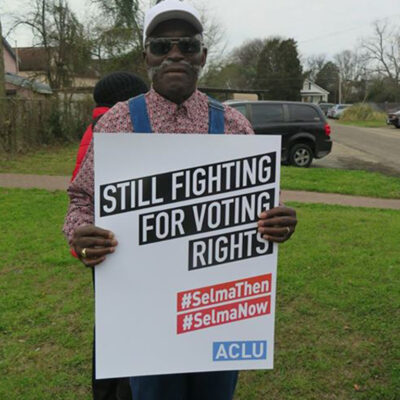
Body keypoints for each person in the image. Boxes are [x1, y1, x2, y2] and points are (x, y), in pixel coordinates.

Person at [63, 1, 297, 399]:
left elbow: (261, 209)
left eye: (187, 45)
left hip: (216, 315)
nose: (175, 54)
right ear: (146, 56)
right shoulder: (117, 123)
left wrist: (276, 223)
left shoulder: (234, 127)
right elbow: (81, 200)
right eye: (162, 46)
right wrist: (79, 235)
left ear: (203, 56)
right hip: (143, 316)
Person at [70, 71, 148, 400]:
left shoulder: (93, 129)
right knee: (130, 325)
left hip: (102, 247)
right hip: (116, 246)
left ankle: (108, 390)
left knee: (112, 324)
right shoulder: (116, 130)